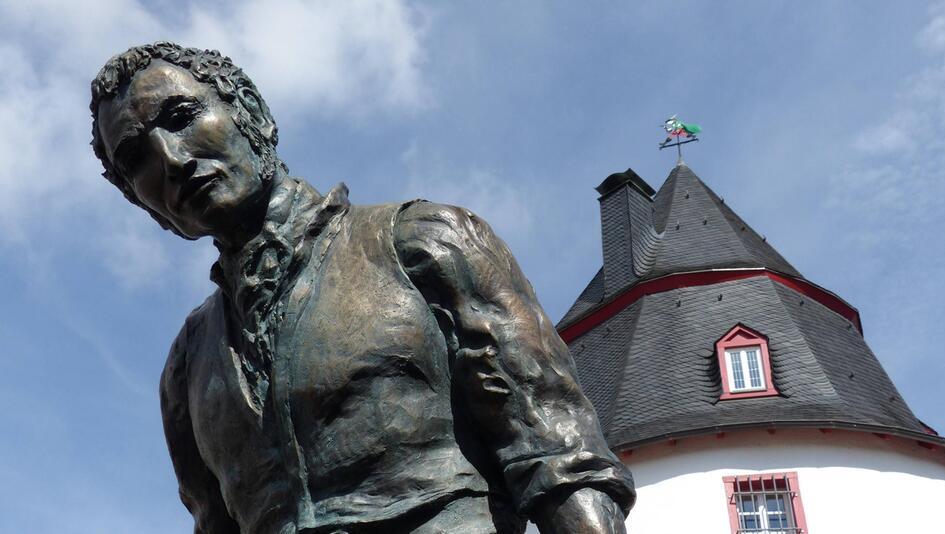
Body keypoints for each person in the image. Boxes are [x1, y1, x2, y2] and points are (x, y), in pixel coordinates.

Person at [91, 42, 635, 534]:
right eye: (136, 159)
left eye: (183, 117)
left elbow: (563, 460)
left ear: (250, 112)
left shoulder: (421, 242)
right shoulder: (186, 367)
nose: (172, 159)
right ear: (143, 205)